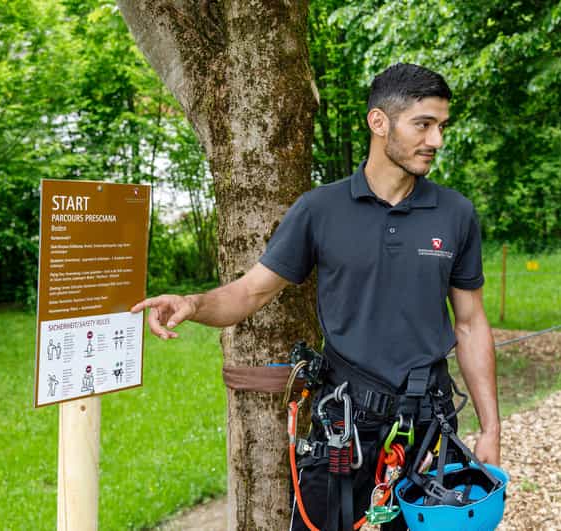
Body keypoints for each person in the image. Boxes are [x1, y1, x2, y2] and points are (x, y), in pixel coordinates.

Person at [131, 63, 499, 530]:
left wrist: (491, 427)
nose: (436, 140)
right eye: (423, 125)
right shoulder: (320, 210)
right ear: (379, 122)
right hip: (343, 428)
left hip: (426, 429)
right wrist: (193, 304)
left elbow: (470, 323)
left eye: (441, 126)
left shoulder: (455, 213)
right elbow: (251, 291)